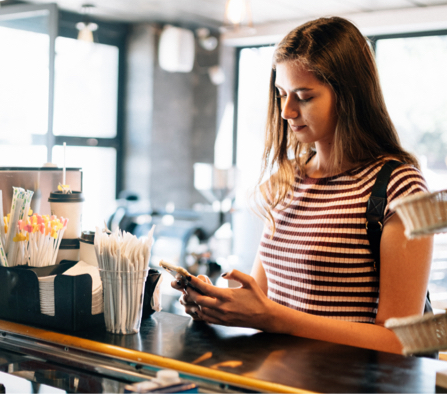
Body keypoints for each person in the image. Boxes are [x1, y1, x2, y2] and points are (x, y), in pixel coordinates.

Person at [173, 16, 433, 355]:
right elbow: (263, 303)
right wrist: (218, 304)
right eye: (281, 93)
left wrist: (277, 319)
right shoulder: (288, 179)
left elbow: (400, 340)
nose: (286, 111)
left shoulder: (400, 188)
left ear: (349, 96)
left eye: (304, 96)